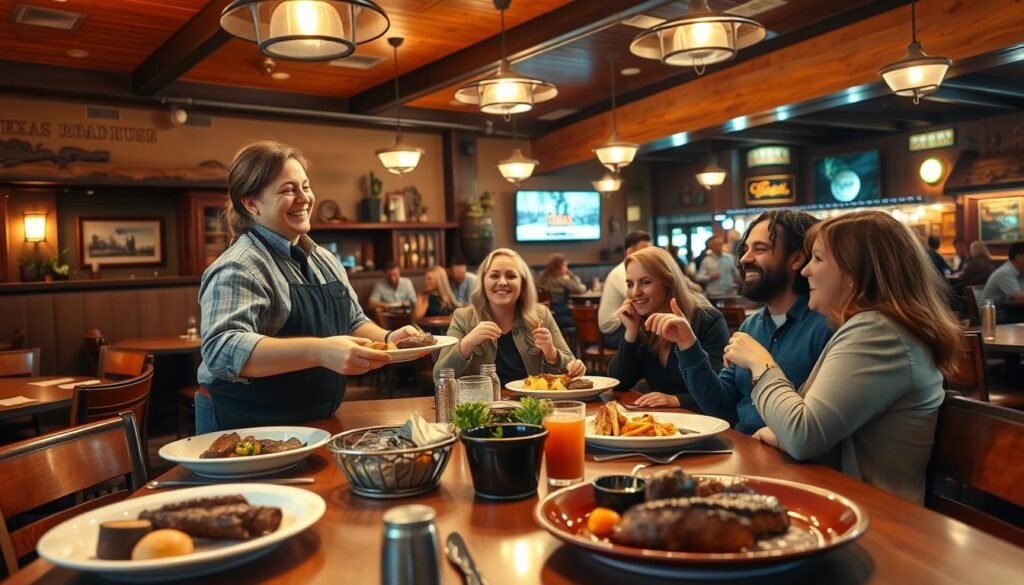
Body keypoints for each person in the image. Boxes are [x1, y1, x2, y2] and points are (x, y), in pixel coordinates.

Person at [721, 211, 961, 503]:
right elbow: (819, 428)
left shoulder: (877, 332)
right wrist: (781, 433)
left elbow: (803, 435)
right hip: (839, 494)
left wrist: (761, 363)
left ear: (857, 271)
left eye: (818, 259)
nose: (806, 271)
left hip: (875, 516)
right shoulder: (872, 327)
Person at [197, 141, 424, 433]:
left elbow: (353, 320)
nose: (304, 198)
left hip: (315, 422)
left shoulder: (324, 259)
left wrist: (391, 339)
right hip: (246, 429)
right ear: (251, 203)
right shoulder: (240, 265)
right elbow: (222, 349)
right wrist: (320, 352)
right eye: (288, 190)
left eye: (305, 186)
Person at [649, 211, 833, 434]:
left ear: (797, 259)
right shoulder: (751, 327)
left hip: (795, 463)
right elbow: (720, 406)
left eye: (760, 249)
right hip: (743, 450)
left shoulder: (827, 327)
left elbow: (818, 429)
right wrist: (687, 344)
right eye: (745, 249)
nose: (744, 259)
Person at [435, 248, 586, 386]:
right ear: (482, 282)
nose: (502, 282)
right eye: (494, 275)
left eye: (511, 276)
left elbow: (571, 370)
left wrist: (552, 354)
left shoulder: (541, 315)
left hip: (532, 410)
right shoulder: (463, 317)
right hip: (482, 410)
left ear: (523, 285)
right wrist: (466, 344)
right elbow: (439, 378)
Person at [607, 247, 729, 411]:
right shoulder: (642, 323)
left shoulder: (708, 320)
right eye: (630, 284)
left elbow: (721, 393)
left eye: (645, 282)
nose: (635, 292)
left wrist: (677, 400)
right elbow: (620, 382)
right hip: (664, 420)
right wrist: (631, 332)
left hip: (706, 421)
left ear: (668, 282)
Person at [598, 231, 652, 347]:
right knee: (652, 336)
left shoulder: (635, 270)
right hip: (612, 332)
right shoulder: (622, 272)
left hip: (621, 325)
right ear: (630, 252)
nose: (649, 254)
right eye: (644, 250)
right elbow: (637, 298)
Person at [537, 253, 586, 331]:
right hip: (560, 316)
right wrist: (571, 275)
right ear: (559, 267)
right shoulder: (562, 280)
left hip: (544, 317)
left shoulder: (543, 278)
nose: (566, 269)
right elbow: (580, 289)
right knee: (583, 318)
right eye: (565, 265)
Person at [980, 241, 1024, 322]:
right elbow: (1018, 296)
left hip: (1011, 310)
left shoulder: (1020, 272)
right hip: (994, 315)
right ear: (1018, 257)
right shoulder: (1005, 272)